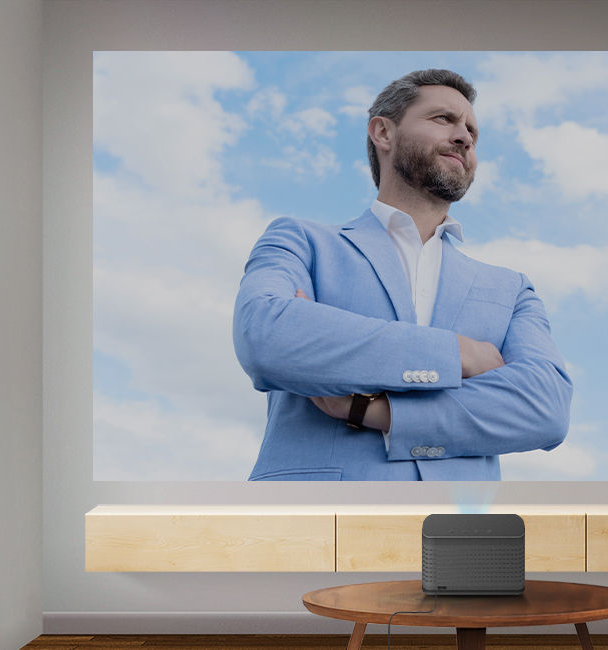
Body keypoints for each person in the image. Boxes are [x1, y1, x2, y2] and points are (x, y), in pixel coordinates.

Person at [232, 69, 571, 480]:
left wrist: (376, 410)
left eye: (472, 132)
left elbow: (545, 408)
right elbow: (266, 335)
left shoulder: (511, 289)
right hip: (315, 524)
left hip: (457, 533)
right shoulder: (302, 241)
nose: (464, 136)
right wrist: (455, 354)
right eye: (443, 119)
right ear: (383, 133)